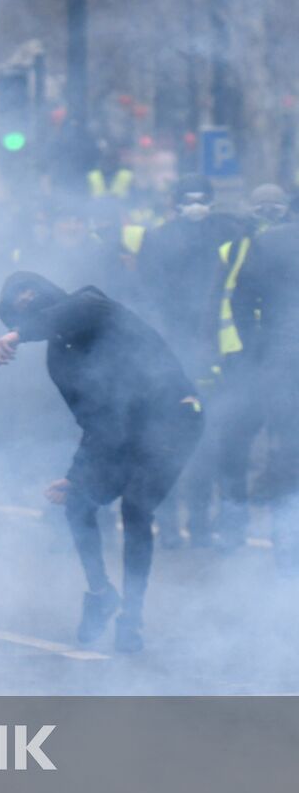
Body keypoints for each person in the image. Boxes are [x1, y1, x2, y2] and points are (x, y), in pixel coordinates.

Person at [0, 272, 202, 653]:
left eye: (29, 291)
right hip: (123, 435)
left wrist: (18, 335)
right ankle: (100, 593)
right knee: (77, 505)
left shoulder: (94, 306)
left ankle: (132, 619)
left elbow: (80, 308)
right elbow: (93, 421)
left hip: (174, 418)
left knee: (137, 508)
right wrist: (77, 476)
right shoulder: (58, 361)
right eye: (17, 304)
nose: (26, 300)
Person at [135, 174, 245, 546]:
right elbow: (149, 295)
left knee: (207, 441)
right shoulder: (158, 238)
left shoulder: (228, 233)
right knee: (164, 443)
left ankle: (199, 526)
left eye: (202, 198)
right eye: (189, 198)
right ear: (176, 202)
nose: (196, 205)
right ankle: (166, 527)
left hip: (212, 350)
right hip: (170, 353)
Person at [210, 184, 289, 548]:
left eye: (276, 206)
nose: (269, 212)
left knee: (284, 445)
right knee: (234, 443)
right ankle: (234, 520)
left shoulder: (278, 243)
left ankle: (283, 531)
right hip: (243, 362)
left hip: (275, 362)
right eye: (263, 206)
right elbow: (222, 303)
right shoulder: (235, 247)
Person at [230, 205, 299, 573]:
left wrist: (258, 349)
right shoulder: (272, 242)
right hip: (285, 362)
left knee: (289, 453)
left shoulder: (269, 241)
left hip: (282, 363)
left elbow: (241, 301)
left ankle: (287, 549)